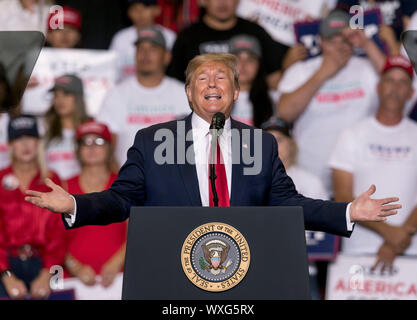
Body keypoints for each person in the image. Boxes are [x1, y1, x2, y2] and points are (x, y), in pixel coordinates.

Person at [25, 53, 400, 242]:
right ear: (189, 92)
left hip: (245, 279)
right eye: (201, 77)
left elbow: (288, 205)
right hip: (172, 281)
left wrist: (348, 210)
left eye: (222, 76)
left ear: (236, 92)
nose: (212, 82)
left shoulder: (261, 144)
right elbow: (121, 200)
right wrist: (76, 204)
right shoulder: (153, 141)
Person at [277, 9, 385, 196]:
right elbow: (285, 112)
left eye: (344, 40)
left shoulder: (366, 68)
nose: (339, 46)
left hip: (359, 176)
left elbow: (397, 85)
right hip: (311, 176)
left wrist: (367, 44)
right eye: (331, 41)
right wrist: (323, 73)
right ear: (320, 42)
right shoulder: (301, 71)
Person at [329, 56, 417, 271]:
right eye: (389, 80)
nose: (395, 88)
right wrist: (389, 233)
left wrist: (397, 239)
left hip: (410, 250)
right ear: (378, 87)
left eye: (402, 82)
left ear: (411, 93)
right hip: (358, 251)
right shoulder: (351, 134)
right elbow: (341, 197)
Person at [97, 27, 189, 166]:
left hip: (173, 183)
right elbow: (105, 145)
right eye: (141, 49)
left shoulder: (183, 93)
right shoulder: (117, 94)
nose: (145, 54)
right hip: (129, 182)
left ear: (166, 57)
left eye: (153, 49)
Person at [261, 116, 328, 300]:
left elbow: (324, 229)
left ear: (292, 144)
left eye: (280, 140)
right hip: (260, 273)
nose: (274, 146)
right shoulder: (249, 181)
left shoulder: (311, 182)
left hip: (303, 271)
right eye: (268, 141)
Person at [0, 115, 66, 299]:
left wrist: (47, 274)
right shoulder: (0, 180)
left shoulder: (52, 181)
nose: (25, 145)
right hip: (5, 265)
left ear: (38, 143)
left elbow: (59, 233)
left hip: (46, 264)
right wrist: (6, 276)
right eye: (18, 139)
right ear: (10, 145)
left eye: (30, 138)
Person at [166, 0, 289, 89]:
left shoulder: (255, 33)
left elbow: (275, 80)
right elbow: (173, 85)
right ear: (202, 1)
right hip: (200, 114)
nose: (223, 2)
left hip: (252, 114)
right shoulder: (187, 37)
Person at [64, 120, 127, 288]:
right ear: (78, 149)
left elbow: (137, 232)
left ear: (109, 148)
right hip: (72, 281)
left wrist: (116, 263)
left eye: (98, 141)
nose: (92, 147)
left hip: (119, 280)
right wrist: (75, 267)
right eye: (86, 142)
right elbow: (54, 239)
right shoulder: (63, 188)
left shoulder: (124, 186)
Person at [109, 0, 177, 81]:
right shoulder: (120, 38)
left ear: (157, 10)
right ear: (128, 13)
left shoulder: (170, 37)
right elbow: (111, 71)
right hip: (125, 90)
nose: (140, 13)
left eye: (145, 7)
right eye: (135, 9)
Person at [44, 74, 90, 180]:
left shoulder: (91, 130)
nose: (60, 100)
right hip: (51, 193)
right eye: (56, 95)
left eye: (66, 94)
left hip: (81, 194)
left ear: (78, 97)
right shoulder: (45, 130)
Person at [228, 35, 278, 127]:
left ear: (259, 65)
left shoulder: (274, 99)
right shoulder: (214, 97)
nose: (243, 64)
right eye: (237, 59)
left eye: (250, 59)